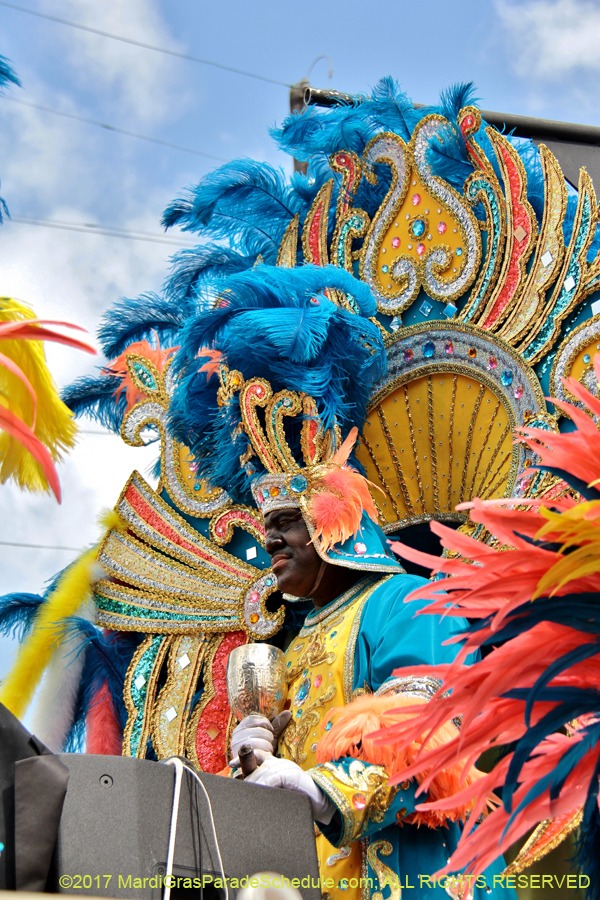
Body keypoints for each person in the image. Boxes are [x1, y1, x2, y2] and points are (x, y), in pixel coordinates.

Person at [169, 263, 517, 900]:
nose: (268, 539)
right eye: (264, 525)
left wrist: (314, 788)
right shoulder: (296, 647)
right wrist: (254, 758)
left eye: (286, 522)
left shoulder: (404, 603)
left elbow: (423, 734)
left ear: (339, 527)